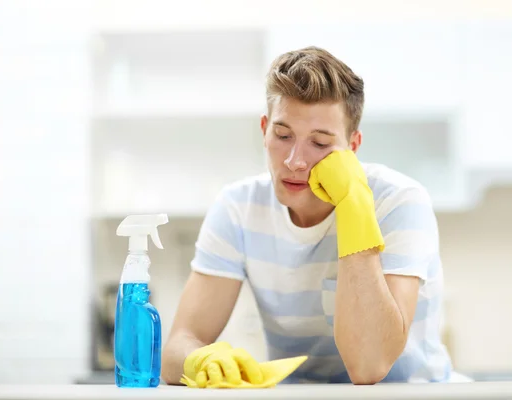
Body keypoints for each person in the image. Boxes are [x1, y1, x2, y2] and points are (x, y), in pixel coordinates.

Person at [161, 46, 454, 386]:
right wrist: (200, 358)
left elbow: (368, 366)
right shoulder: (238, 208)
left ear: (353, 147)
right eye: (283, 136)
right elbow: (177, 348)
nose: (295, 161)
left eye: (320, 143)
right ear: (264, 130)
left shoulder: (399, 202)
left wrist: (354, 203)